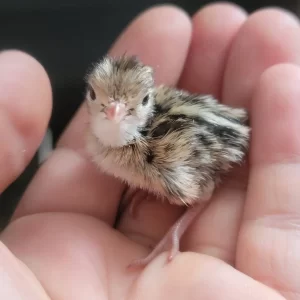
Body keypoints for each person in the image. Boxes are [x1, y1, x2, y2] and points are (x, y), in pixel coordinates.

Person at [0, 3, 299, 299]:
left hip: (212, 143)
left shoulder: (156, 153)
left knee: (186, 189)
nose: (114, 111)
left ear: (147, 101)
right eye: (97, 97)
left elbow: (200, 191)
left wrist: (175, 233)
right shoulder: (103, 137)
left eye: (135, 103)